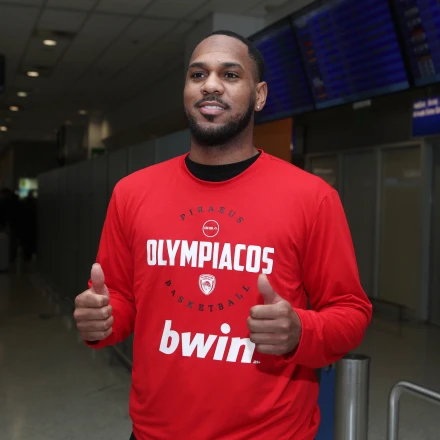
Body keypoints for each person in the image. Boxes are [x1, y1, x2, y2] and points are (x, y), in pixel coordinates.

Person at [73, 30, 372, 440]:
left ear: (259, 95)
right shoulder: (132, 193)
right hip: (155, 433)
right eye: (198, 75)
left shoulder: (312, 197)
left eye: (230, 75)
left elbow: (350, 312)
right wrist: (101, 319)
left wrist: (300, 331)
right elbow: (121, 301)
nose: (210, 85)